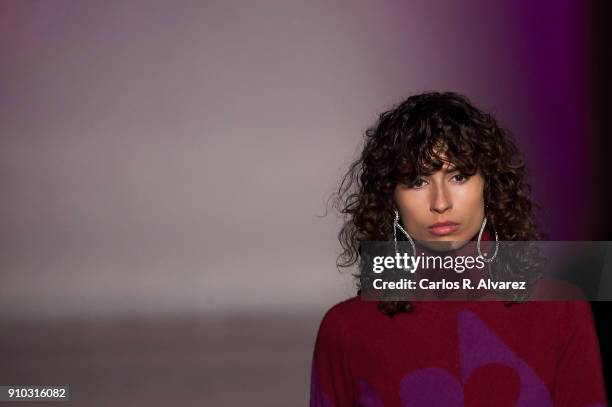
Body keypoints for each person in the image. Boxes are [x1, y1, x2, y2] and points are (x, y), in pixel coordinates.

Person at [310, 92, 608, 406]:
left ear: (489, 185)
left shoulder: (560, 311)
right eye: (417, 181)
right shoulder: (347, 329)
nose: (441, 203)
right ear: (390, 198)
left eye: (459, 176)